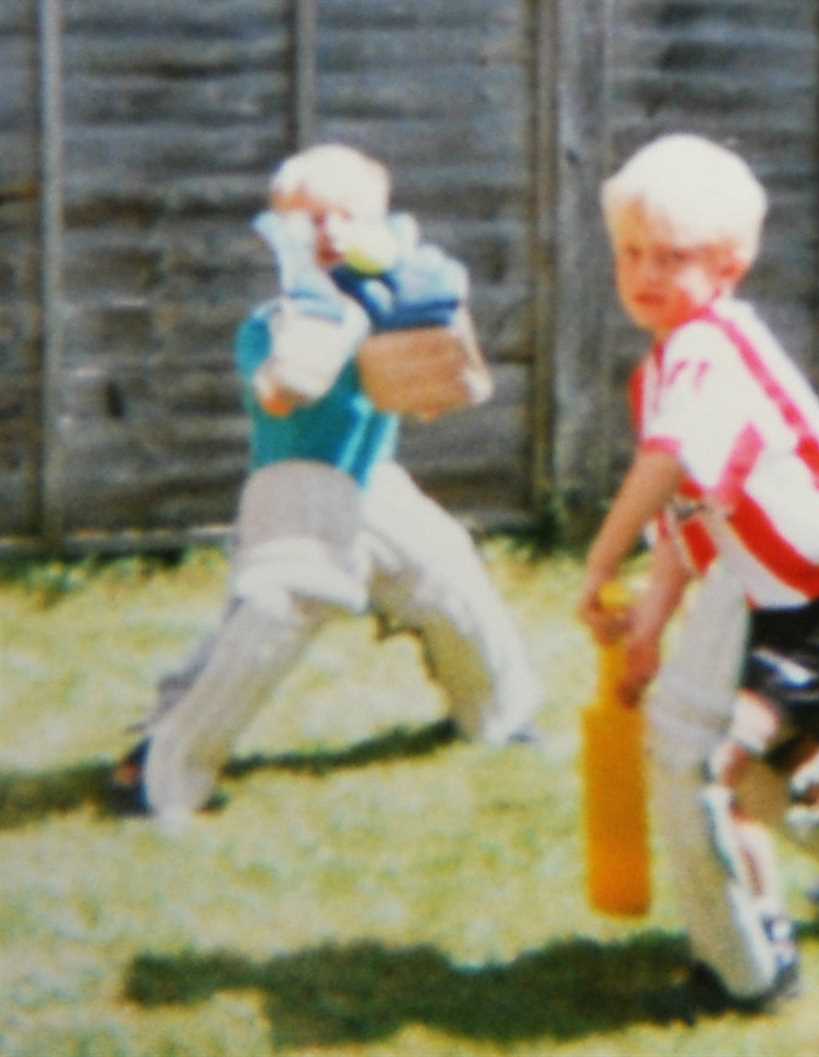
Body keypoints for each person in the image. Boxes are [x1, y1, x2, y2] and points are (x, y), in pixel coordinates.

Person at [577, 133, 819, 1013]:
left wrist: (599, 563)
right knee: (769, 777)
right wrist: (645, 629)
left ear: (730, 264)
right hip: (759, 588)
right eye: (630, 253)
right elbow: (688, 523)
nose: (644, 273)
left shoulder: (709, 354)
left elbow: (667, 465)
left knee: (707, 762)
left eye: (671, 256)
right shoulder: (670, 361)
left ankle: (746, 967)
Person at [113, 143, 542, 821]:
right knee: (269, 620)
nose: (330, 232)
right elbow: (279, 393)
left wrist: (437, 361)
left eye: (347, 216)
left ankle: (498, 716)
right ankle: (162, 768)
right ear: (281, 230)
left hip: (376, 483)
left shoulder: (391, 304)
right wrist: (305, 355)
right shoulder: (280, 320)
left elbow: (435, 392)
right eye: (310, 219)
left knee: (450, 577)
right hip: (298, 489)